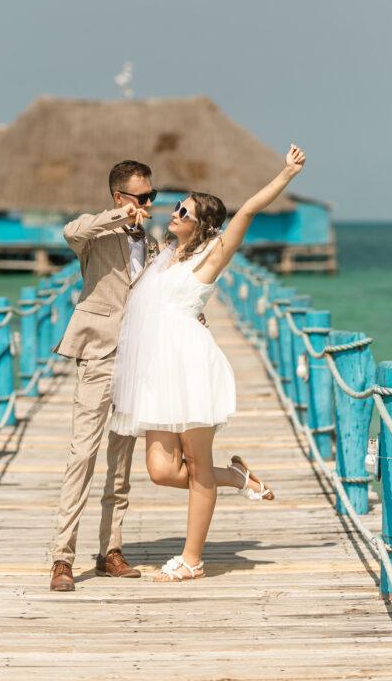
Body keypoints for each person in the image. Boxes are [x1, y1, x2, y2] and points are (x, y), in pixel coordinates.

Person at [110, 143, 307, 582]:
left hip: (190, 364)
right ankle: (238, 478)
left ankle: (192, 559)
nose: (175, 212)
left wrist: (286, 174)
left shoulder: (213, 253)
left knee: (197, 468)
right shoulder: (164, 255)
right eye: (176, 206)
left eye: (184, 209)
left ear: (202, 222)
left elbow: (250, 211)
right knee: (161, 471)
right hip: (155, 371)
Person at [48, 159, 159, 592]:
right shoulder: (97, 234)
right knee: (82, 456)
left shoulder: (151, 241)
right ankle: (62, 557)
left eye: (152, 195)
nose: (149, 203)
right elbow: (72, 230)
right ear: (119, 197)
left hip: (136, 359)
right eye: (142, 196)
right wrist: (120, 217)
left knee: (121, 462)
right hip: (97, 354)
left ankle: (110, 549)